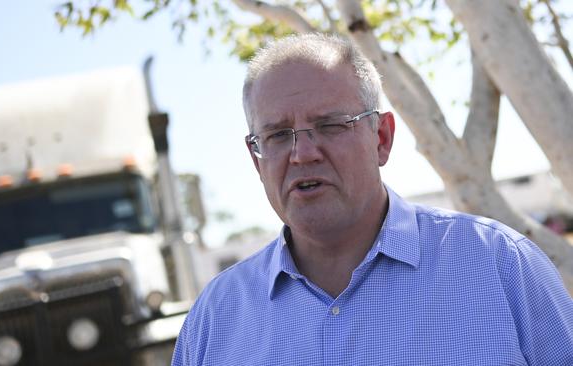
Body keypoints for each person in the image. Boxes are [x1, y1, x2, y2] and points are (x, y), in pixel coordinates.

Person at [172, 33, 573, 365]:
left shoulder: (500, 266)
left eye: (329, 125)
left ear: (381, 138)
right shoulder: (215, 320)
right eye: (277, 135)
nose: (302, 153)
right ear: (256, 160)